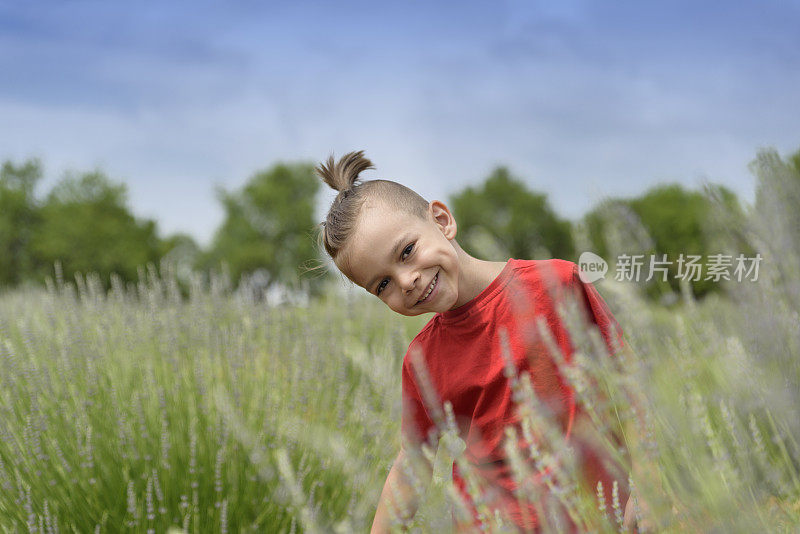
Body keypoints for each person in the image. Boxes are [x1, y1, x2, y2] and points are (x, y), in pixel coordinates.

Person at [315, 150, 645, 533]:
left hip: (599, 518)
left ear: (442, 220)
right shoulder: (422, 360)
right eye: (382, 284)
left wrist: (651, 486)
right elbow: (412, 463)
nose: (406, 282)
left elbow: (632, 381)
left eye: (407, 252)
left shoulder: (556, 284)